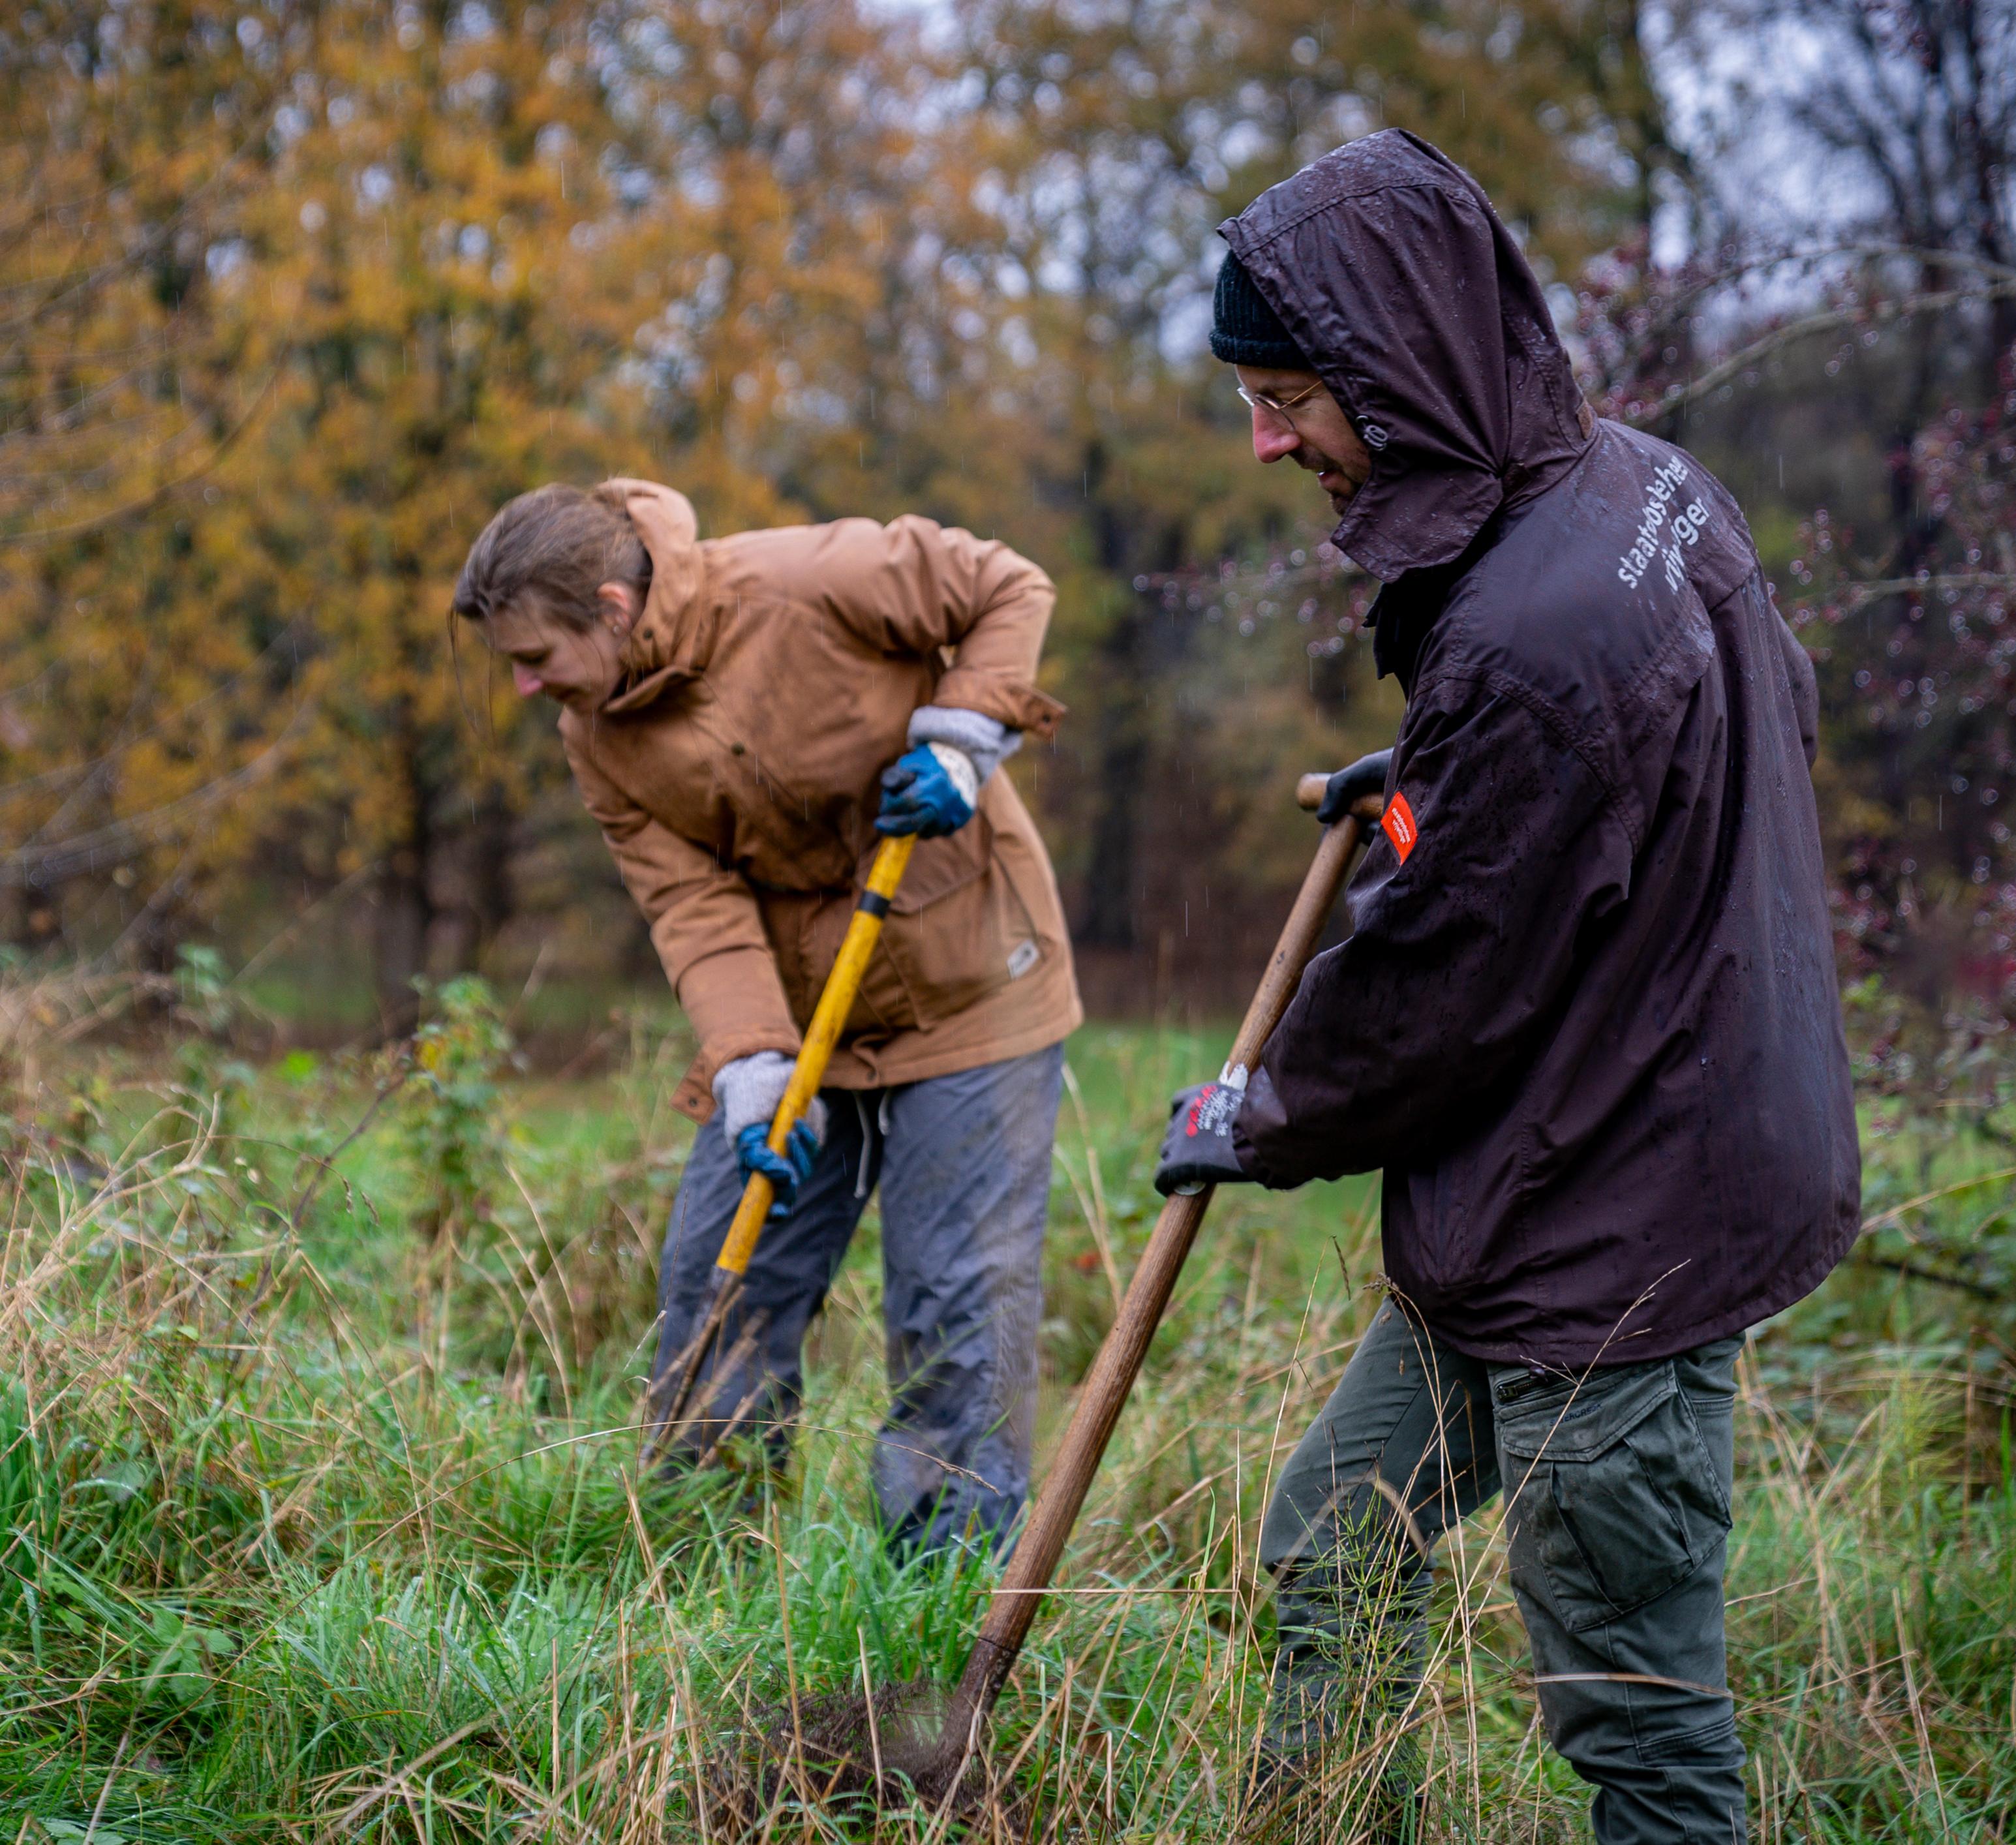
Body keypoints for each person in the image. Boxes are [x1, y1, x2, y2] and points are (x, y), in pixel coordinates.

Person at [1153, 131, 1860, 1843]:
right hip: (1551, 1186)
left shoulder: (1530, 646)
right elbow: (1600, 771)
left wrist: (1257, 1114)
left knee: (1638, 1724)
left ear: (1394, 368)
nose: (1267, 442)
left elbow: (1424, 1000)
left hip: (1617, 1225)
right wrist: (1419, 782)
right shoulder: (1641, 485)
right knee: (1334, 1544)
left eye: (1284, 396)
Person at [451, 480, 1081, 1554]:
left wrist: (964, 737)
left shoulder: (811, 578)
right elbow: (692, 907)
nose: (522, 686)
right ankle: (702, 1576)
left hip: (973, 984)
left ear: (611, 608)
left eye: (535, 656)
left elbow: (1006, 585)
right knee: (716, 1285)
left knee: (954, 1312)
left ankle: (938, 1606)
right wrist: (749, 1063)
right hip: (798, 1018)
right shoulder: (595, 734)